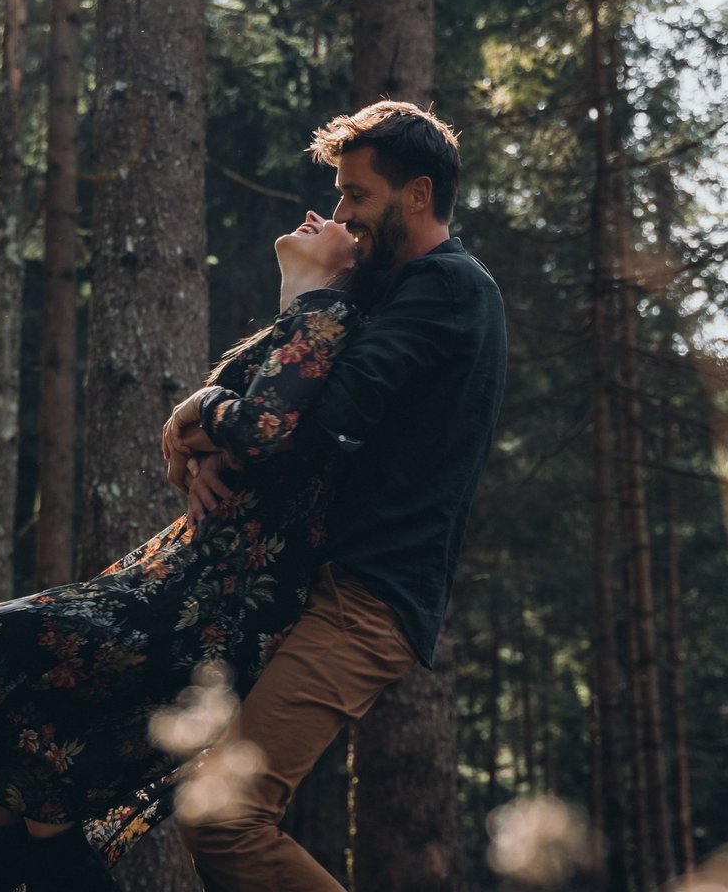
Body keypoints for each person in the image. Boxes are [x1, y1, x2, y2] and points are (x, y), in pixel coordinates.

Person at [0, 211, 378, 892]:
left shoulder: (331, 313)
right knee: (3, 692)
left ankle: (17, 861)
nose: (319, 215)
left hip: (222, 603)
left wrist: (202, 411)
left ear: (357, 257)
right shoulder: (299, 324)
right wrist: (194, 453)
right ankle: (12, 860)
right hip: (185, 577)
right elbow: (226, 450)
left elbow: (263, 427)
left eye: (342, 218)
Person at [169, 101, 507, 892]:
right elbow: (264, 399)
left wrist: (203, 419)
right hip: (310, 587)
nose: (343, 216)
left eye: (357, 196)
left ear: (417, 195)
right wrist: (196, 439)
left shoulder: (446, 289)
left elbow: (316, 425)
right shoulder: (387, 289)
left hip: (368, 602)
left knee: (223, 817)